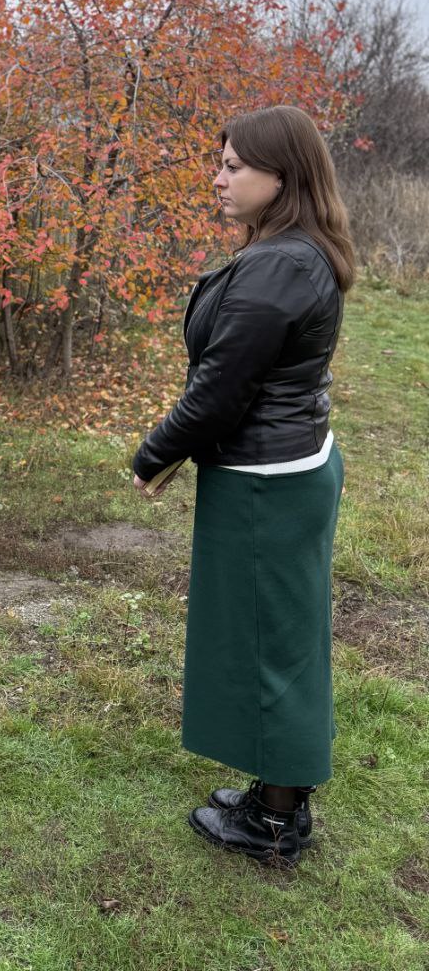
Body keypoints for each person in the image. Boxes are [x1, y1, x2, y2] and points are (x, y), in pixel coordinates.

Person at [132, 105, 354, 868]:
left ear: (280, 177)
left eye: (233, 166)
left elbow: (221, 388)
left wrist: (152, 453)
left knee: (272, 645)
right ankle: (273, 793)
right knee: (275, 635)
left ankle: (275, 823)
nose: (218, 178)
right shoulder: (288, 249)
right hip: (279, 467)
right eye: (220, 163)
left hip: (267, 481)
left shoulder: (283, 264)